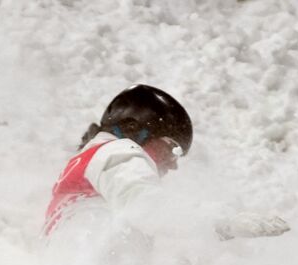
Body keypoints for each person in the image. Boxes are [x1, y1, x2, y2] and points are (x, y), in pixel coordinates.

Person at [44, 84, 192, 234]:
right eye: (172, 148)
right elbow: (145, 203)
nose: (174, 164)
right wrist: (207, 228)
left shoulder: (93, 158)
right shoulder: (119, 152)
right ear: (136, 130)